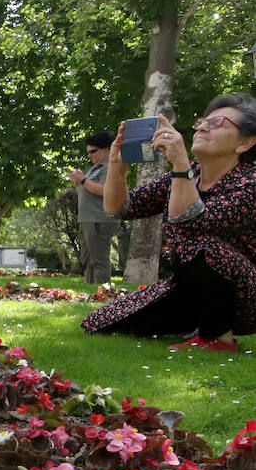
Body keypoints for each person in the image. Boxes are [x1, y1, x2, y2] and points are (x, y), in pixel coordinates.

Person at [82, 95, 256, 351]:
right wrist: (118, 165)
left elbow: (191, 224)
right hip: (189, 289)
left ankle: (218, 338)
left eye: (217, 123)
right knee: (98, 322)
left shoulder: (249, 182)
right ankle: (196, 325)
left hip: (245, 295)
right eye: (202, 121)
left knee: (195, 246)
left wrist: (180, 164)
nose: (203, 127)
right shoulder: (188, 173)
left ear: (245, 142)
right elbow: (119, 208)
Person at [70, 133, 121, 284]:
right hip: (88, 220)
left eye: (93, 151)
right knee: (88, 259)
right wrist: (79, 181)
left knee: (99, 260)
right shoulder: (94, 168)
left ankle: (102, 293)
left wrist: (84, 180)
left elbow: (106, 190)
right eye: (88, 152)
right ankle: (90, 290)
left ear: (107, 149)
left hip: (99, 220)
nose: (90, 155)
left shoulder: (110, 167)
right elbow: (86, 190)